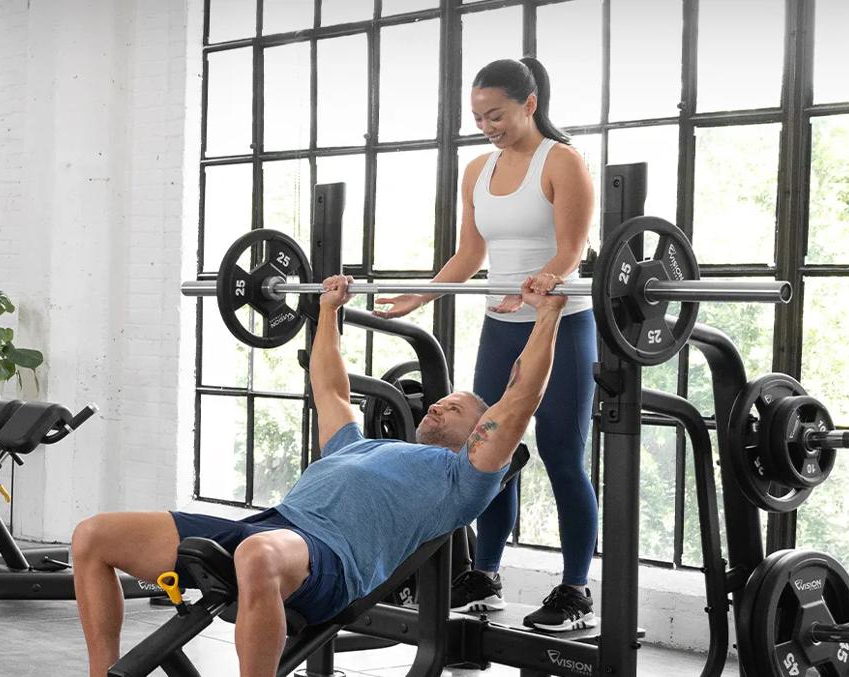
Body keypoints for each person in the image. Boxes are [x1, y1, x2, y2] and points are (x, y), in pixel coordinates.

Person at [71, 274, 568, 677]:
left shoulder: (463, 476)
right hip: (271, 528)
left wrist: (546, 314)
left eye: (455, 407)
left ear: (478, 430)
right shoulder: (363, 445)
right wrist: (328, 310)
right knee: (94, 536)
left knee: (257, 552)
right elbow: (330, 388)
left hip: (331, 563)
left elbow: (520, 397)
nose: (439, 403)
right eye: (440, 400)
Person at [374, 56, 598, 632]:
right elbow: (470, 256)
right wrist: (418, 299)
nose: (487, 126)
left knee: (562, 456)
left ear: (529, 104)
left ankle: (575, 591)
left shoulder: (564, 162)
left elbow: (572, 251)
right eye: (478, 117)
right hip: (501, 324)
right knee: (488, 449)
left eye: (495, 114)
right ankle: (486, 576)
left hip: (563, 323)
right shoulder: (477, 169)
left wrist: (542, 285)